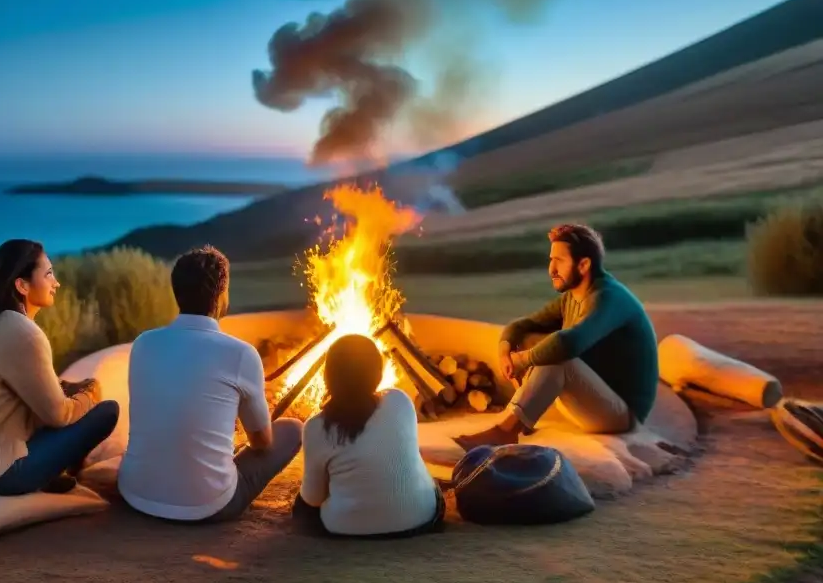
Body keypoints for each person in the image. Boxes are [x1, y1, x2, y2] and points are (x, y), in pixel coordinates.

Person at [118, 245, 302, 522]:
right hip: (209, 505)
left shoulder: (144, 344)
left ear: (176, 292)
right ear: (221, 296)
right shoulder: (240, 353)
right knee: (292, 429)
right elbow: (263, 442)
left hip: (136, 493)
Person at [0, 240, 119, 496]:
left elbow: (21, 391)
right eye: (49, 274)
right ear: (22, 285)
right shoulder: (22, 333)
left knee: (61, 400)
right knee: (106, 411)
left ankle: (49, 472)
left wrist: (68, 391)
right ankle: (47, 473)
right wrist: (89, 395)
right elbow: (59, 416)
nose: (56, 283)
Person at [455, 223, 659, 450]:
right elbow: (523, 325)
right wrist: (506, 352)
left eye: (559, 261)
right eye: (550, 260)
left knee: (558, 357)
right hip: (593, 398)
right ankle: (520, 417)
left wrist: (522, 360)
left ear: (583, 265)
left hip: (621, 414)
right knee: (530, 339)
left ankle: (506, 431)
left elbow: (569, 343)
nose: (551, 270)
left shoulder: (609, 298)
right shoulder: (571, 297)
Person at [293, 334, 445, 538]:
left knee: (301, 509)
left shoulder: (315, 427)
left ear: (328, 377)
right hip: (421, 518)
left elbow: (312, 499)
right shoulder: (400, 401)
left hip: (346, 528)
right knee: (429, 481)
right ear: (378, 375)